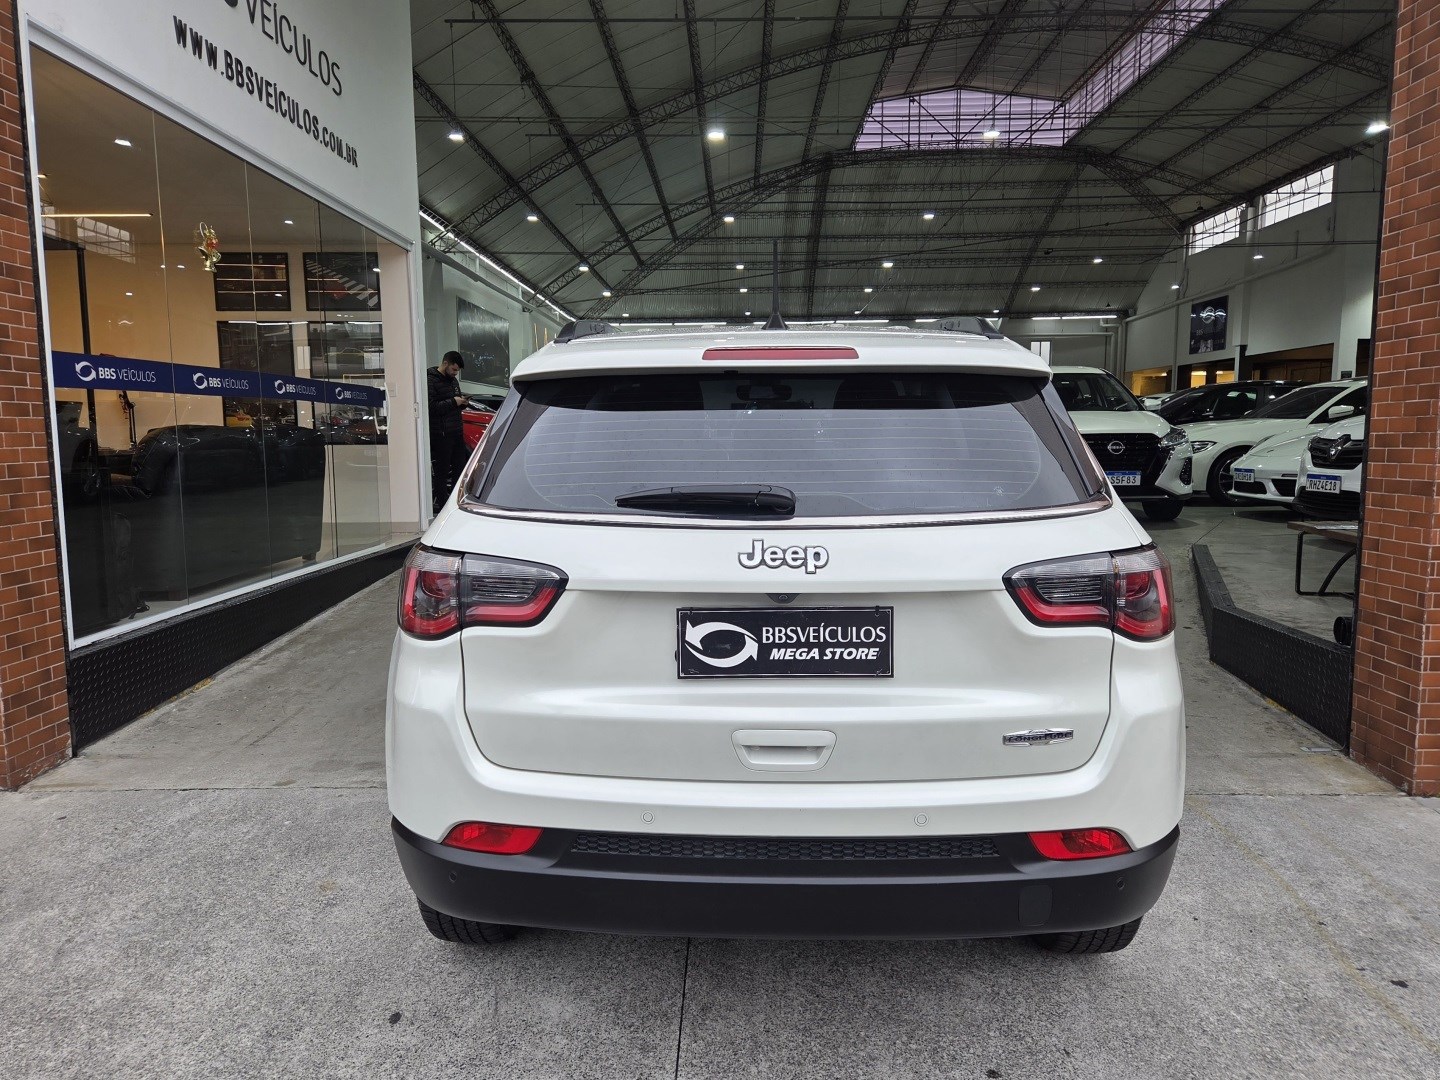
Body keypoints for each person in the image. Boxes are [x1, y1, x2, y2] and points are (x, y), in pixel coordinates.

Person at [427, 350, 470, 511]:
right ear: (445, 363)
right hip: (441, 434)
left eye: (457, 370)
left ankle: (455, 504)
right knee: (442, 472)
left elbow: (454, 403)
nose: (455, 373)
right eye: (453, 369)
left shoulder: (453, 381)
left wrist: (462, 403)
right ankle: (443, 506)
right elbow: (431, 407)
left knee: (460, 469)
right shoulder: (430, 380)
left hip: (456, 432)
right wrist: (453, 402)